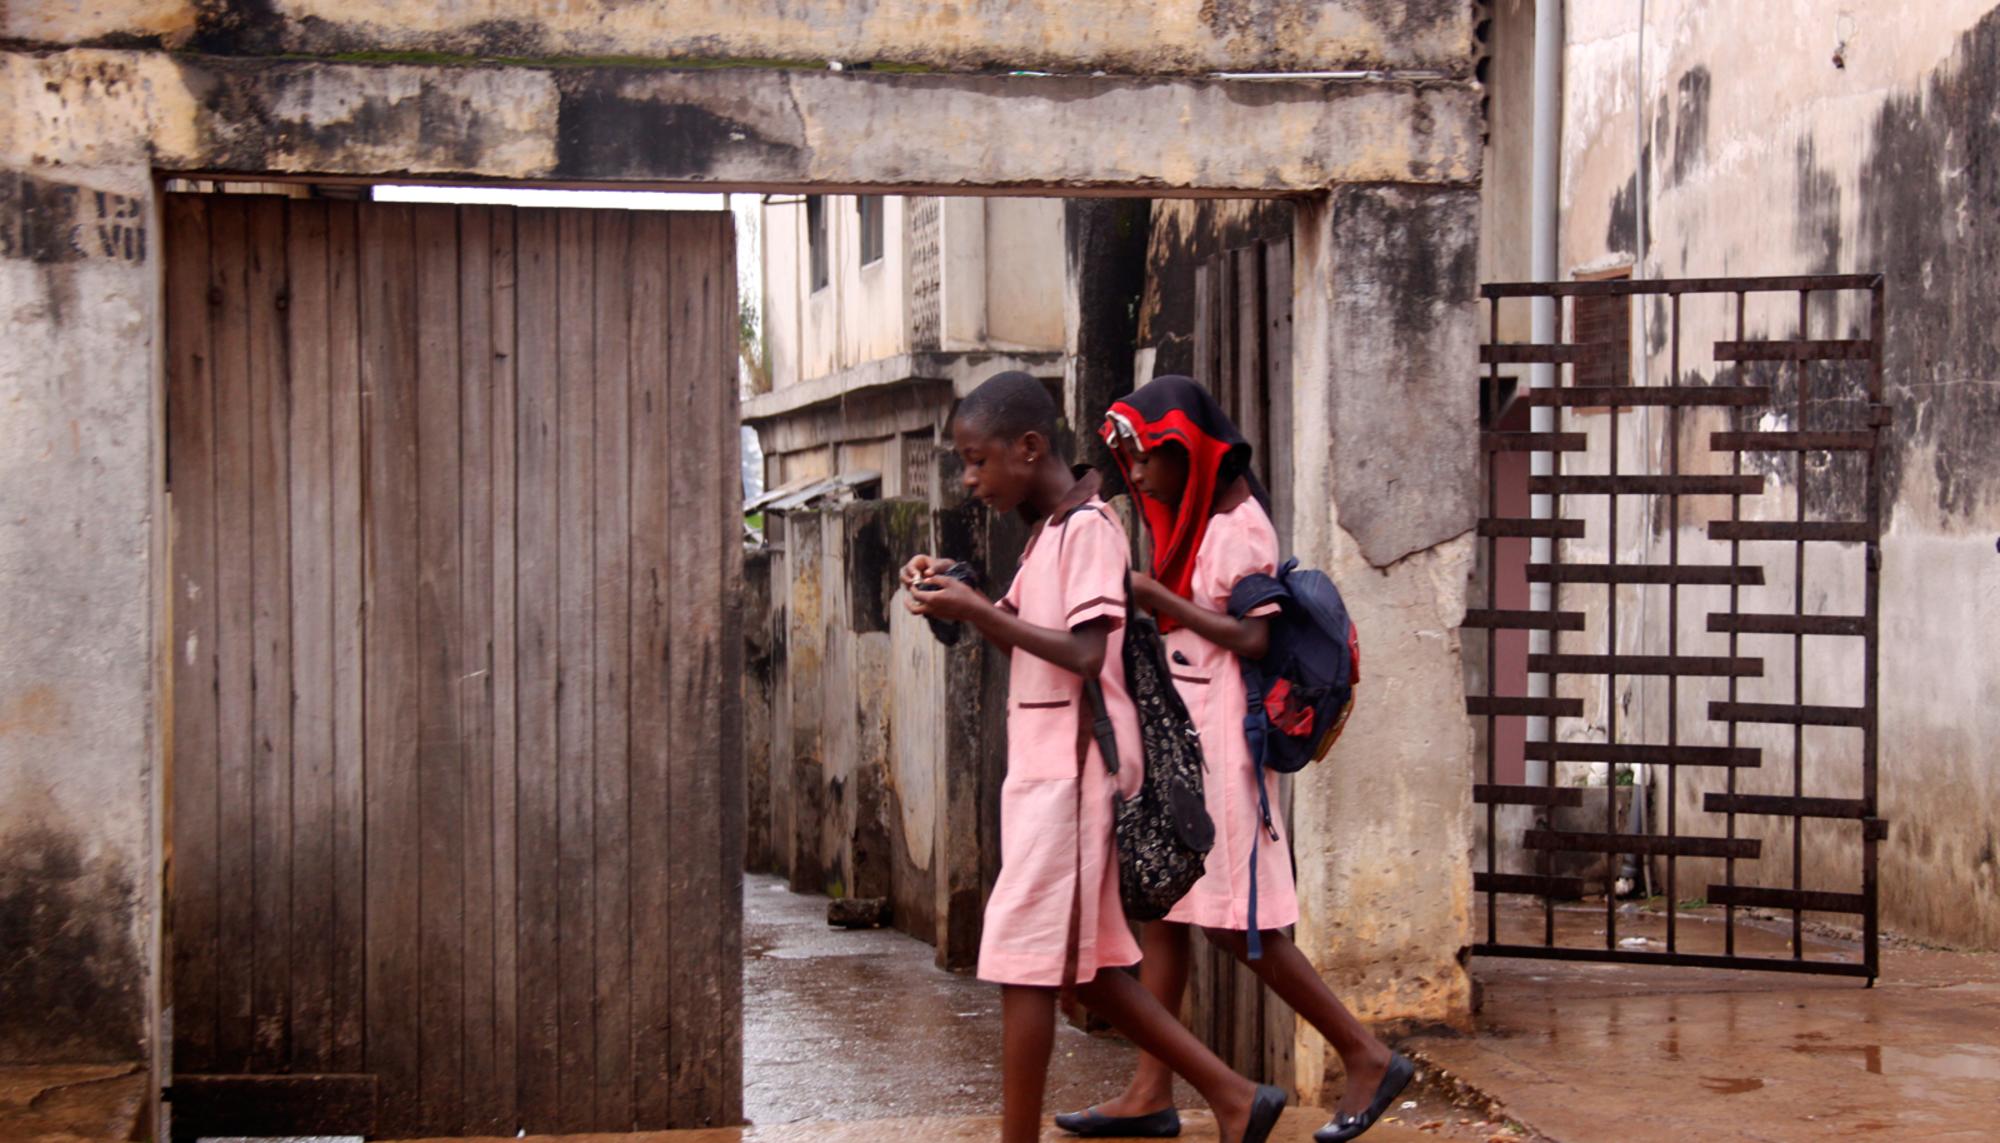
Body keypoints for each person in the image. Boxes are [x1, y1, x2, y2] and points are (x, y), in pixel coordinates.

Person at [903, 371, 1288, 1143]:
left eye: (977, 461)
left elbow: (1083, 651)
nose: (970, 478)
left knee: (1022, 959)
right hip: (1044, 770)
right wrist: (956, 589)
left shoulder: (1090, 529)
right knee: (1089, 969)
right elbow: (1015, 623)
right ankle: (1236, 1095)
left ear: (1030, 447)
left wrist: (978, 609)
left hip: (1077, 774)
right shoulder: (1050, 531)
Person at [1055, 375, 1412, 1143]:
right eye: (1131, 461)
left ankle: (1365, 1051)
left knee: (1238, 926)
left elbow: (1255, 635)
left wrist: (1161, 598)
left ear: (1190, 451)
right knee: (1170, 915)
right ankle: (1151, 1091)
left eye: (1149, 458)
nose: (1138, 475)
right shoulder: (1191, 522)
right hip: (1191, 734)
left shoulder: (1239, 526)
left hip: (1226, 743)